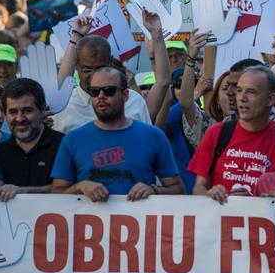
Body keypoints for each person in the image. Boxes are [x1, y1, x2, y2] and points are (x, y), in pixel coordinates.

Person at [51, 67, 183, 201]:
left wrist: (154, 190)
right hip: (89, 220)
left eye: (109, 91)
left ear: (125, 94)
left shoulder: (154, 136)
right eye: (94, 92)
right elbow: (55, 193)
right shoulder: (73, 139)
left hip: (139, 220)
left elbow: (178, 189)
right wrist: (79, 187)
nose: (101, 96)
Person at [189, 66, 275, 203]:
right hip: (219, 221)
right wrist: (210, 195)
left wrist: (257, 201)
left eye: (251, 92)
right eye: (239, 91)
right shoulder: (216, 133)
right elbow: (198, 188)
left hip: (263, 221)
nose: (242, 98)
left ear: (271, 99)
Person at [53, 16, 156, 134]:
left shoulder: (134, 101)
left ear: (110, 62)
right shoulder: (64, 107)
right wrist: (76, 35)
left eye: (100, 69)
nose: (94, 76)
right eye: (87, 70)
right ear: (76, 65)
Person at [0, 78, 64, 201]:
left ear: (42, 110)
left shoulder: (64, 146)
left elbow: (70, 189)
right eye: (13, 112)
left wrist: (23, 191)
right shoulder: (0, 153)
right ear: (5, 114)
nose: (20, 119)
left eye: (27, 111)